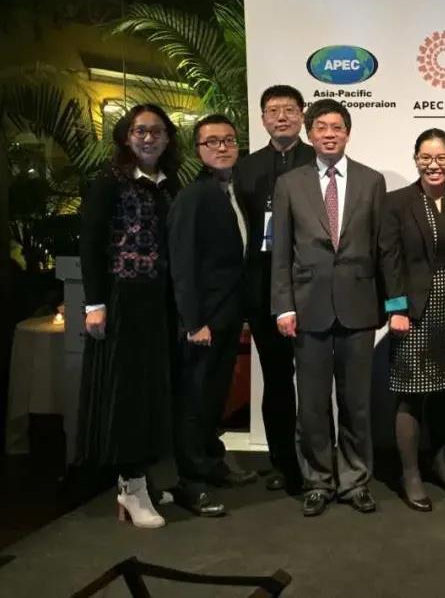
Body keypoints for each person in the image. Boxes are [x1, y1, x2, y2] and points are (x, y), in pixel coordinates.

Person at [271, 99, 387, 518]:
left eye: (337, 127)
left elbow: (384, 248)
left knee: (356, 402)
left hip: (359, 306)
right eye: (321, 127)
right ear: (310, 134)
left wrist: (392, 305)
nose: (329, 134)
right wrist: (283, 306)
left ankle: (355, 480)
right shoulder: (290, 184)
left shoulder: (372, 181)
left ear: (348, 133)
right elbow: (280, 251)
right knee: (312, 404)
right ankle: (318, 480)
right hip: (308, 308)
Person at [77, 104, 181, 529]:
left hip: (160, 301)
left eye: (157, 131)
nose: (149, 138)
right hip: (123, 300)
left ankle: (143, 478)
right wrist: (94, 304)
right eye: (140, 131)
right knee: (127, 396)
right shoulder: (110, 181)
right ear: (126, 136)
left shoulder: (170, 182)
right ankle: (130, 488)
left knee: (153, 392)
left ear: (168, 138)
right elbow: (90, 241)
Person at [380, 128, 445, 512]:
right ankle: (411, 474)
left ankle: (439, 460)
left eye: (441, 158)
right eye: (426, 158)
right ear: (416, 159)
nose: (434, 165)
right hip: (414, 310)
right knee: (412, 392)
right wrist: (397, 309)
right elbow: (389, 258)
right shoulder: (397, 201)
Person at [168, 114, 256, 518]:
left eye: (229, 140)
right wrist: (193, 322)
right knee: (195, 399)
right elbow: (182, 263)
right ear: (198, 150)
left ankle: (212, 461)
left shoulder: (235, 191)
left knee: (215, 395)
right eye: (212, 142)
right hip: (202, 321)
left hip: (229, 314)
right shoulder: (193, 197)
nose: (222, 147)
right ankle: (191, 482)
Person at [235, 85, 314, 495]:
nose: (281, 117)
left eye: (289, 109)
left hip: (312, 286)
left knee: (316, 382)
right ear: (263, 118)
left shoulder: (319, 160)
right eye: (272, 110)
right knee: (278, 380)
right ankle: (283, 462)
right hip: (263, 288)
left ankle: (317, 461)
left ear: (302, 114)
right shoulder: (245, 168)